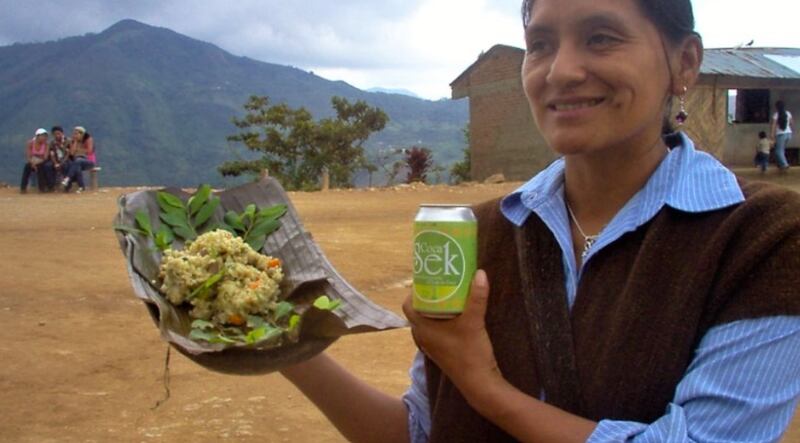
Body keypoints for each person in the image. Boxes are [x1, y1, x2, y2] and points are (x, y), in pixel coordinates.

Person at [280, 1, 800, 442]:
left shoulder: (764, 239)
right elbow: (422, 430)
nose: (561, 71)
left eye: (601, 38)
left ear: (684, 63)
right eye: (541, 44)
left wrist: (484, 387)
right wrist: (278, 344)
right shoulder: (478, 233)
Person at [61, 126, 95, 193]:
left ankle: (67, 178)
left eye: (76, 134)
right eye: (74, 134)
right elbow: (72, 153)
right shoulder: (74, 141)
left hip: (89, 161)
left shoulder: (88, 139)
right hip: (77, 162)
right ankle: (81, 187)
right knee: (76, 165)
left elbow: (89, 151)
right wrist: (75, 142)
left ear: (82, 134)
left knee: (77, 161)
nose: (75, 135)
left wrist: (79, 151)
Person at [20, 128, 49, 194]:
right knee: (27, 167)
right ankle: (23, 188)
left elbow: (45, 157)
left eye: (45, 136)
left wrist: (37, 163)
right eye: (43, 136)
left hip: (41, 161)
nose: (44, 138)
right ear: (37, 136)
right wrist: (33, 163)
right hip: (32, 161)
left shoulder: (46, 144)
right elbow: (28, 156)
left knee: (40, 167)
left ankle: (42, 188)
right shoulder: (30, 143)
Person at [42, 126, 70, 191]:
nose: (57, 135)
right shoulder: (52, 143)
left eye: (58, 133)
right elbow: (52, 154)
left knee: (66, 166)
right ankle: (51, 186)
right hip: (56, 160)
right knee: (47, 166)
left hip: (65, 159)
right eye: (55, 134)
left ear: (62, 133)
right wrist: (55, 163)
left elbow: (68, 154)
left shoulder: (68, 141)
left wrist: (62, 163)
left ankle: (67, 186)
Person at [771, 100, 794, 172]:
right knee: (781, 150)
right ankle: (781, 165)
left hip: (781, 134)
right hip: (788, 133)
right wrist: (791, 131)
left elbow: (774, 125)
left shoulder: (776, 115)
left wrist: (772, 134)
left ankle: (785, 165)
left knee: (778, 151)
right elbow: (791, 123)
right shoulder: (788, 113)